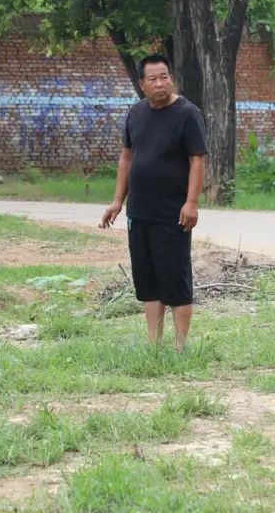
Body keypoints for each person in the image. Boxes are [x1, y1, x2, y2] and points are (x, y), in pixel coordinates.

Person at [100, 54, 208, 352]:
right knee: (148, 280)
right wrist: (117, 200)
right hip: (139, 212)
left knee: (175, 278)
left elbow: (197, 160)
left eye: (164, 77)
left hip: (173, 213)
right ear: (142, 84)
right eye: (153, 79)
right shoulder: (135, 113)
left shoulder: (188, 113)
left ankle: (181, 347)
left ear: (171, 78)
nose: (160, 84)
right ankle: (154, 345)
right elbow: (126, 157)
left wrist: (191, 203)